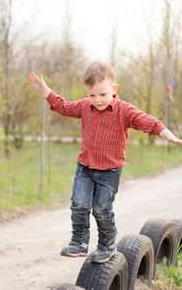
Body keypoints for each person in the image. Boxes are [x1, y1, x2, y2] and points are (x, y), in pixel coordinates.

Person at [28, 62, 182, 263]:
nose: (97, 100)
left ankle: (107, 244)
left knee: (101, 209)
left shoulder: (124, 110)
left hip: (110, 171)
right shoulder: (85, 106)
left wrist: (167, 134)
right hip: (85, 167)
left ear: (114, 89)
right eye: (92, 95)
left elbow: (148, 121)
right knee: (79, 204)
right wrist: (45, 91)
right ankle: (79, 243)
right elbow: (63, 107)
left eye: (102, 94)